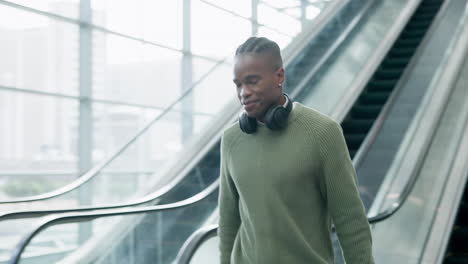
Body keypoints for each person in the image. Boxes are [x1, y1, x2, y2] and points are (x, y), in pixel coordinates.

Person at [218, 36, 374, 264]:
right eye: (239, 84)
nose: (244, 92)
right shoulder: (231, 139)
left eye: (252, 81)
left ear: (279, 76)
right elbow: (228, 219)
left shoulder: (323, 133)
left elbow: (351, 221)